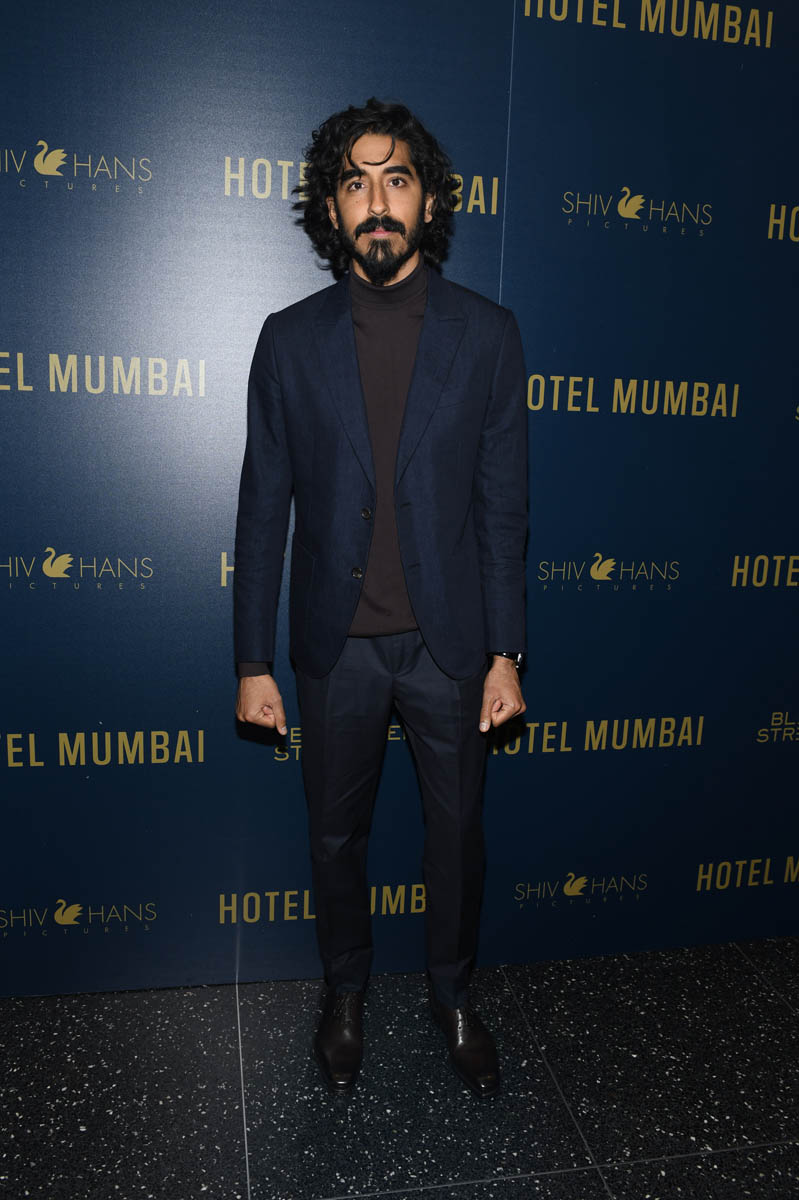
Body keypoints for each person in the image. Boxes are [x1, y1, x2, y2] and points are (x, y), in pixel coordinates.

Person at [234, 98, 527, 1099]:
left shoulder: (488, 336)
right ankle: (345, 992)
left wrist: (505, 653)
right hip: (337, 648)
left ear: (429, 199)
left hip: (451, 650)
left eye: (395, 179)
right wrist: (252, 662)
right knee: (334, 839)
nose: (376, 201)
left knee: (457, 840)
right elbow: (262, 512)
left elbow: (502, 511)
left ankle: (453, 995)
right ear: (329, 209)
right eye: (354, 183)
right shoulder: (287, 341)